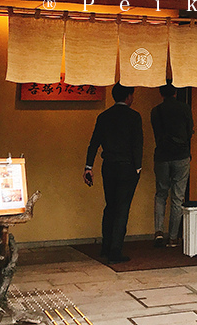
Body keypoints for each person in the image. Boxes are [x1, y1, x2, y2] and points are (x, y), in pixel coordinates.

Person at [84, 84, 142, 263]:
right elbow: (137, 143)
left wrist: (88, 166)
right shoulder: (134, 117)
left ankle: (106, 246)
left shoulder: (104, 116)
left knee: (110, 206)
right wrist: (138, 167)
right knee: (122, 208)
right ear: (128, 96)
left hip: (108, 166)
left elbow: (94, 142)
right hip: (127, 166)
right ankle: (116, 250)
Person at [150, 83, 194, 248]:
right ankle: (173, 237)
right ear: (175, 92)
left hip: (162, 155)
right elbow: (190, 131)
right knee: (178, 197)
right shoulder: (184, 108)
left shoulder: (156, 111)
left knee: (161, 193)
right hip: (181, 156)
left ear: (160, 93)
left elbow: (157, 133)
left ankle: (158, 231)